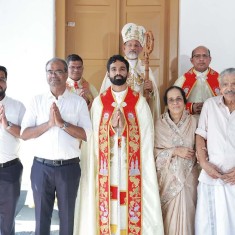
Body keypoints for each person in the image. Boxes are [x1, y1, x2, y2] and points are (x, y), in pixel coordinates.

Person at [75, 55, 164, 235]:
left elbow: (147, 136)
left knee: (128, 204)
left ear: (127, 72)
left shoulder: (139, 102)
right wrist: (110, 128)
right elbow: (92, 138)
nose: (118, 73)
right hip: (106, 168)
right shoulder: (99, 103)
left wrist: (125, 129)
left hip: (130, 167)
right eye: (114, 69)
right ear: (108, 74)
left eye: (122, 69)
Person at [20, 58, 92, 235]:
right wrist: (49, 124)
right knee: (41, 219)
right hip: (41, 167)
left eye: (58, 71)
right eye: (49, 72)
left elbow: (87, 134)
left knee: (67, 219)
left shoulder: (78, 102)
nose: (53, 75)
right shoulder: (36, 101)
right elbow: (24, 134)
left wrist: (62, 124)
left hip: (68, 168)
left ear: (66, 74)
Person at [195, 68, 235, 235]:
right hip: (212, 176)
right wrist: (204, 163)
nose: (230, 88)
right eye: (225, 84)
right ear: (219, 86)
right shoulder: (210, 105)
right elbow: (200, 134)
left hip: (233, 179)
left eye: (234, 84)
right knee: (208, 226)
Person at [155, 86, 199, 235]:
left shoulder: (194, 122)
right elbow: (152, 154)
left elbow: (202, 149)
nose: (175, 103)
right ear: (166, 103)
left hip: (189, 179)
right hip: (166, 181)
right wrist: (174, 151)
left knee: (189, 216)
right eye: (171, 100)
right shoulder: (158, 124)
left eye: (178, 99)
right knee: (168, 221)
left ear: (185, 101)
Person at [100, 22, 161, 120]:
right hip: (120, 113)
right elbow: (105, 93)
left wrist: (152, 89)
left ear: (141, 49)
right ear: (124, 48)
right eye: (130, 45)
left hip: (139, 112)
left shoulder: (145, 69)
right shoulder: (115, 68)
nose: (133, 48)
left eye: (136, 45)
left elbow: (154, 97)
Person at [0, 65, 25, 234]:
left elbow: (26, 134)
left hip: (9, 170)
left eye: (1, 79)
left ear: (6, 83)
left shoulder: (17, 106)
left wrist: (7, 124)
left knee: (7, 222)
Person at [174, 45, 220, 114]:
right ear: (191, 60)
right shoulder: (182, 80)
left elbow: (229, 101)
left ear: (210, 59)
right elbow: (172, 103)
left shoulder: (220, 79)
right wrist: (191, 107)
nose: (201, 59)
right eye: (197, 56)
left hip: (213, 118)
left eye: (204, 56)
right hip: (189, 119)